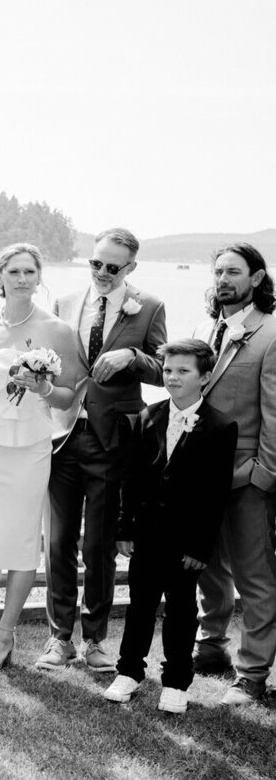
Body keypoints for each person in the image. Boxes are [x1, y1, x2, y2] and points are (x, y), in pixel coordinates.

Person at [41, 227, 166, 672]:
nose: (102, 273)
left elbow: (165, 370)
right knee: (57, 542)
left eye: (113, 267)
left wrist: (132, 355)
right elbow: (52, 363)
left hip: (113, 440)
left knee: (98, 544)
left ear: (130, 268)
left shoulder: (149, 307)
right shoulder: (65, 303)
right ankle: (60, 638)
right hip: (63, 434)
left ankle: (94, 639)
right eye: (95, 263)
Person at [0, 244, 82, 671]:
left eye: (31, 271)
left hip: (30, 447)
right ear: (0, 275)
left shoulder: (57, 331)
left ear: (40, 276)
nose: (23, 278)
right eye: (14, 271)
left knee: (23, 540)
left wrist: (43, 387)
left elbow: (70, 400)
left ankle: (6, 634)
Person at [103, 339, 236, 714]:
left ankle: (177, 680)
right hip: (146, 534)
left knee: (181, 610)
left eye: (183, 371)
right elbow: (131, 478)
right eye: (168, 370)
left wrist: (200, 547)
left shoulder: (221, 427)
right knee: (140, 604)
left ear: (205, 377)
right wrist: (125, 528)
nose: (173, 377)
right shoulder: (148, 417)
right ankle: (129, 670)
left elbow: (216, 495)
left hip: (185, 541)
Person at [190, 243, 276, 705]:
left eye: (234, 272)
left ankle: (253, 673)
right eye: (218, 271)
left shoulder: (271, 334)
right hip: (203, 473)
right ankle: (211, 647)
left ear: (257, 279)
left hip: (249, 475)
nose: (223, 279)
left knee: (255, 575)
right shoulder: (205, 327)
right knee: (206, 565)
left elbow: (275, 415)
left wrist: (263, 475)